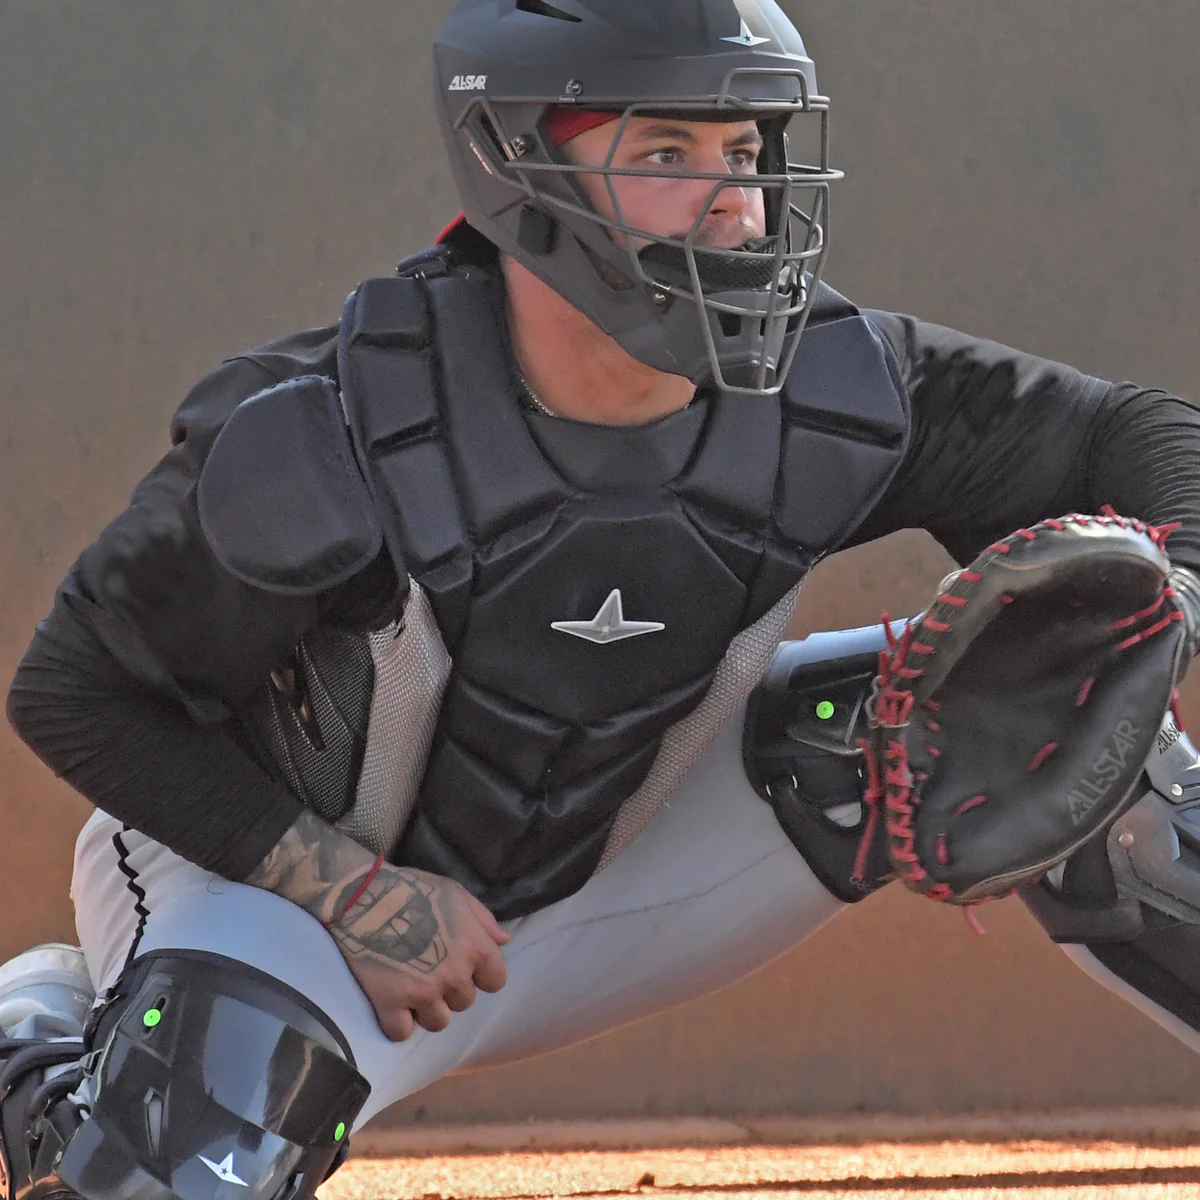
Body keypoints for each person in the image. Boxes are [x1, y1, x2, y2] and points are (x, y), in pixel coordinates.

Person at [4, 1, 1200, 1198]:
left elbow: (1132, 432)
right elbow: (75, 692)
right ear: (518, 162)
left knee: (1077, 684)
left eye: (745, 153)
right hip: (299, 912)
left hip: (609, 869)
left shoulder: (831, 389)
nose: (733, 202)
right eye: (667, 154)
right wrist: (345, 887)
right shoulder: (326, 429)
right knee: (163, 1182)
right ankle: (38, 1046)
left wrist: (1176, 587)